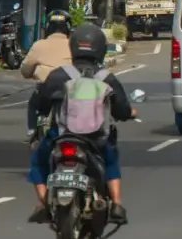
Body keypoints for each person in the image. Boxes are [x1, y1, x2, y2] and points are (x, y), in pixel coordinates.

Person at [29, 24, 135, 224]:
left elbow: (42, 104)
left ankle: (42, 203)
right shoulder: (107, 78)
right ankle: (118, 204)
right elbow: (122, 110)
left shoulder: (59, 75)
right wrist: (130, 113)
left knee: (38, 161)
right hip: (96, 140)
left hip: (61, 137)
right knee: (111, 160)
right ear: (101, 49)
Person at [20, 12, 73, 139]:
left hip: (45, 88)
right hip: (71, 89)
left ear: (48, 27)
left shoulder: (39, 45)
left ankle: (32, 131)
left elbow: (26, 68)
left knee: (33, 104)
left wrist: (31, 74)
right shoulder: (73, 44)